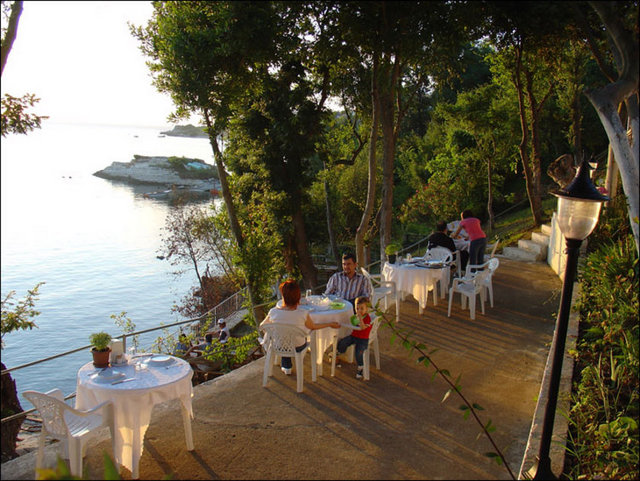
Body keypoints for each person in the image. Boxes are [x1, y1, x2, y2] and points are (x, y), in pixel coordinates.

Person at [261, 279, 340, 375]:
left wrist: (274, 332)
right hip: (297, 346)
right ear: (298, 297)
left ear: (283, 297)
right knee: (293, 337)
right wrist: (330, 324)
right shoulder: (302, 313)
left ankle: (286, 366)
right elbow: (313, 327)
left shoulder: (273, 312)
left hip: (278, 345)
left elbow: (263, 326)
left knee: (285, 336)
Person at [334, 297, 373, 380]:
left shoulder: (367, 318)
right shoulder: (356, 316)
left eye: (362, 308)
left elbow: (362, 327)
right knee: (343, 342)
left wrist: (360, 319)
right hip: (354, 336)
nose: (359, 310)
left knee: (358, 353)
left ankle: (360, 367)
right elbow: (352, 324)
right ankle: (338, 353)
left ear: (367, 309)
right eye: (357, 308)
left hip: (363, 339)